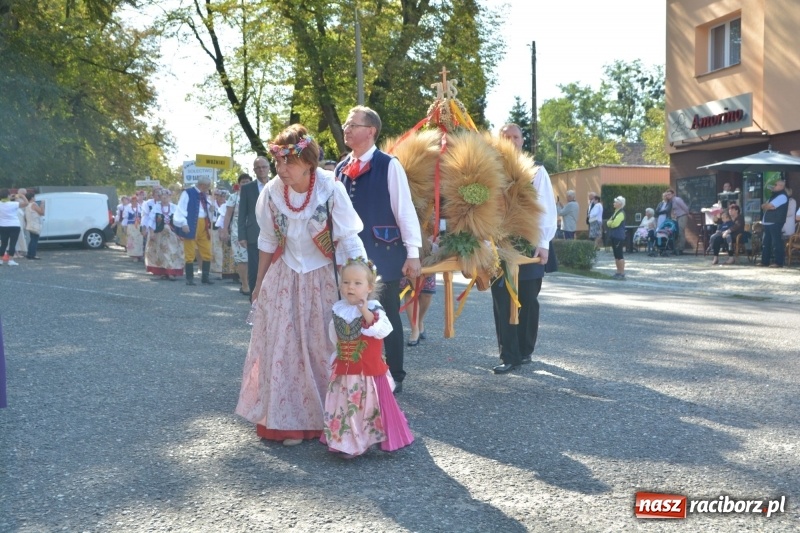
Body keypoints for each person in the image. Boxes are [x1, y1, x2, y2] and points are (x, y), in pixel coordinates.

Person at [235, 125, 367, 446]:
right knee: (284, 347)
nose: (281, 170)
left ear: (308, 162)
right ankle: (287, 422)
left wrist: (359, 284)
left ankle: (326, 417)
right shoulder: (271, 193)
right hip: (284, 277)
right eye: (278, 163)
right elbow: (267, 241)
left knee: (322, 346)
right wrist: (259, 284)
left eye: (288, 163)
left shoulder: (330, 189)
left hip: (322, 277)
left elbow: (348, 240)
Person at [335, 106, 422, 394]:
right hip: (348, 258)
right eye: (346, 124)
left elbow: (404, 210)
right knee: (351, 312)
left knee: (387, 314)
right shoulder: (339, 168)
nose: (346, 128)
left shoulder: (389, 165)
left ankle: (395, 375)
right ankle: (357, 372)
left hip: (382, 253)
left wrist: (413, 253)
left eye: (353, 124)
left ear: (370, 131)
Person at [321, 258, 414, 458]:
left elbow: (381, 330)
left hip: (366, 371)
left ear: (369, 287)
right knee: (344, 406)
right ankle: (344, 441)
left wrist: (364, 310)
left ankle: (358, 443)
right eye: (346, 283)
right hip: (345, 369)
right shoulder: (339, 308)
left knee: (363, 407)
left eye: (357, 283)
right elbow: (334, 335)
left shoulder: (373, 308)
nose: (350, 287)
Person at [491, 123, 557, 374]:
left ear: (522, 140)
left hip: (529, 243)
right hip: (498, 243)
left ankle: (525, 349)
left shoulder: (537, 171)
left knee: (528, 298)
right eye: (505, 136)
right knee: (501, 299)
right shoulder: (489, 169)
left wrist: (543, 244)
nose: (510, 140)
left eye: (515, 136)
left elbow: (547, 208)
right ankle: (509, 354)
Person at [238, 156, 271, 298]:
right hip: (254, 235)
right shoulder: (247, 188)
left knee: (273, 269)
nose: (261, 170)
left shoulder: (278, 184)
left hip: (275, 234)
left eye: (264, 167)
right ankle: (254, 302)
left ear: (269, 168)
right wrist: (242, 236)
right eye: (258, 168)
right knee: (254, 270)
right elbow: (242, 213)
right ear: (254, 170)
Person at [173, 176, 215, 285]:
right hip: (192, 224)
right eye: (207, 186)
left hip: (204, 224)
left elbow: (205, 211)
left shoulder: (204, 195)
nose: (208, 189)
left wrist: (211, 210)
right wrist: (183, 223)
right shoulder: (188, 193)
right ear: (202, 185)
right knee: (190, 252)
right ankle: (189, 278)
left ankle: (205, 277)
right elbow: (180, 209)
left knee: (207, 251)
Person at [221, 174, 253, 295]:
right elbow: (228, 215)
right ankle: (245, 285)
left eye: (247, 182)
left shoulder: (256, 195)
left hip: (254, 231)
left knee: (253, 259)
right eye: (243, 182)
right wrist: (224, 230)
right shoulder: (233, 197)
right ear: (238, 184)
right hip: (237, 232)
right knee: (242, 259)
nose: (245, 184)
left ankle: (253, 283)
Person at [143, 189, 184, 280]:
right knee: (160, 252)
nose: (164, 198)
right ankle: (162, 271)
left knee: (171, 251)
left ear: (170, 197)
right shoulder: (156, 207)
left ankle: (171, 272)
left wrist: (181, 233)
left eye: (167, 196)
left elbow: (180, 220)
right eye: (162, 196)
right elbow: (151, 220)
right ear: (160, 197)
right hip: (159, 234)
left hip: (172, 234)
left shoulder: (175, 207)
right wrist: (152, 232)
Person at [760, 178, 789, 267]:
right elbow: (763, 206)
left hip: (775, 222)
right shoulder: (774, 195)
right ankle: (765, 261)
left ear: (781, 186)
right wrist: (767, 206)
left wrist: (768, 206)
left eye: (776, 185)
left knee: (776, 243)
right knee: (766, 243)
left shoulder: (782, 196)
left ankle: (778, 262)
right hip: (769, 222)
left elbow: (768, 205)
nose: (774, 186)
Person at [0, 189, 28, 265]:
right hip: (14, 225)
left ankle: (1, 259)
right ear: (8, 195)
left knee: (3, 243)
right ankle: (11, 260)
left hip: (3, 225)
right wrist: (22, 196)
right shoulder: (14, 204)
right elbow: (26, 203)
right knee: (13, 243)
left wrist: (8, 198)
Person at [607, 196, 626, 279]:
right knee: (616, 255)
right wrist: (611, 223)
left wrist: (611, 223)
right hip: (614, 235)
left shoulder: (621, 213)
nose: (614, 203)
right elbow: (608, 222)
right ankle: (618, 271)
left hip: (618, 236)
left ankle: (622, 273)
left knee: (619, 255)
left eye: (615, 202)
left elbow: (615, 224)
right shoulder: (616, 212)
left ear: (620, 204)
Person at [122, 194, 144, 262]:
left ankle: (140, 254)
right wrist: (124, 227)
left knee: (139, 240)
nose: (134, 202)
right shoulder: (127, 208)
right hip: (131, 226)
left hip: (138, 226)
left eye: (135, 201)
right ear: (130, 202)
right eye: (132, 201)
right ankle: (134, 256)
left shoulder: (140, 207)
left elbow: (143, 216)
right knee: (132, 240)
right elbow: (125, 218)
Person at [666, 189, 689, 254]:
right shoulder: (671, 201)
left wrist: (687, 214)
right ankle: (677, 248)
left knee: (681, 231)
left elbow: (685, 207)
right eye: (667, 195)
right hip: (677, 217)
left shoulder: (677, 199)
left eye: (669, 194)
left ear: (673, 194)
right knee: (677, 231)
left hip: (682, 215)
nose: (668, 196)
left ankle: (681, 248)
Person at [24, 191, 44, 260]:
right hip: (35, 225)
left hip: (30, 224)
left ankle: (29, 254)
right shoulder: (34, 204)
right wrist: (42, 205)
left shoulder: (27, 205)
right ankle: (33, 255)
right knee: (34, 240)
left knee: (32, 239)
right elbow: (42, 213)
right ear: (32, 198)